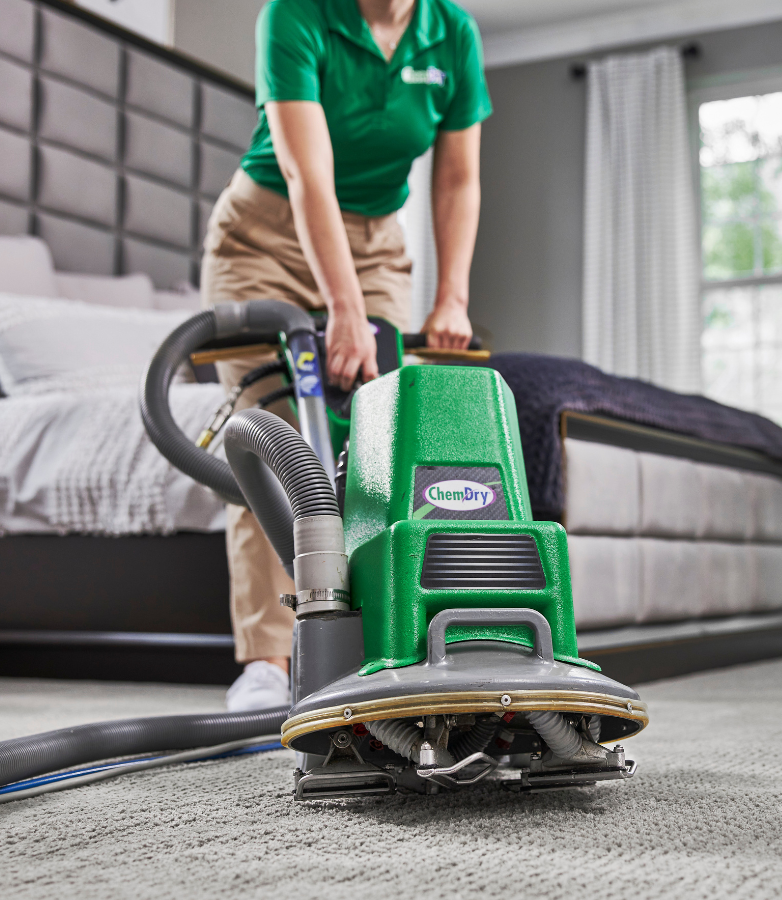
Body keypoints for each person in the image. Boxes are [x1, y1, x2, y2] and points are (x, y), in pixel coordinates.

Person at [200, 0, 491, 711]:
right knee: (272, 432)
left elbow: (457, 178)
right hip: (265, 237)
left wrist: (450, 297)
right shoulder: (294, 16)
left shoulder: (451, 31)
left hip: (376, 243)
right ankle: (269, 663)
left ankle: (391, 639)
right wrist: (346, 312)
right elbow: (307, 175)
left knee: (383, 443)